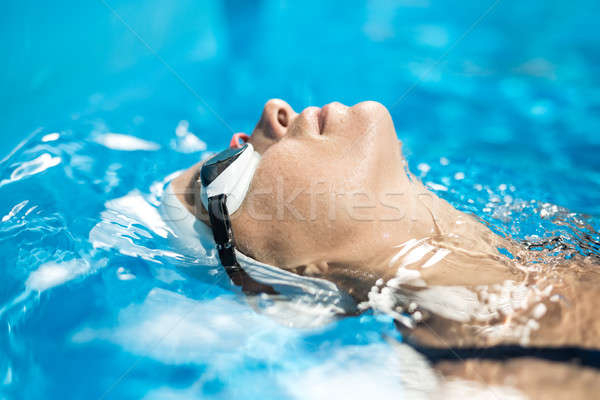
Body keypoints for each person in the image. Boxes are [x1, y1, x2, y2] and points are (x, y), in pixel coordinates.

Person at [166, 99, 600, 397]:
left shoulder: (567, 245)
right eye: (225, 166)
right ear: (294, 274)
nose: (273, 111)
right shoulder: (489, 385)